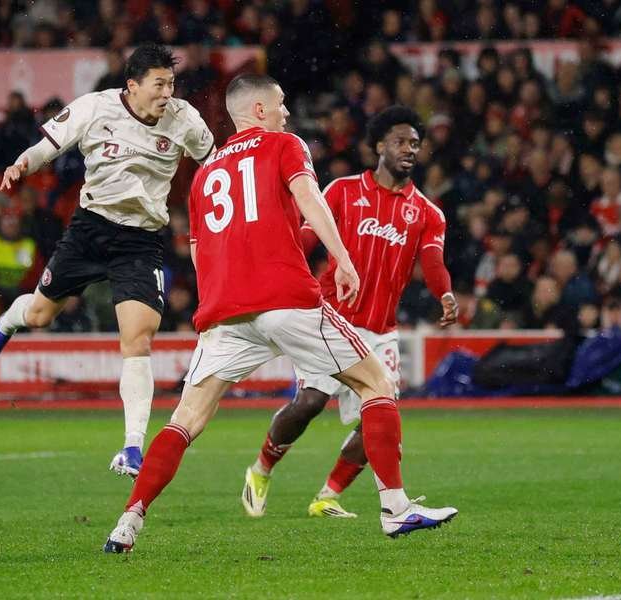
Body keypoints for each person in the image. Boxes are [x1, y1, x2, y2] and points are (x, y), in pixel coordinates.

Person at [103, 74, 457, 553]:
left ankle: (129, 520)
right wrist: (344, 260)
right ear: (261, 111)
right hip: (286, 297)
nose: (288, 112)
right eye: (282, 103)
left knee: (185, 421)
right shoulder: (284, 145)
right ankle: (396, 510)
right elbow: (310, 201)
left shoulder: (205, 174)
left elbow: (196, 250)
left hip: (225, 310)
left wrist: (215, 305)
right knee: (377, 385)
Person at [0, 43, 216, 479]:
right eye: (158, 84)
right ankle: (9, 321)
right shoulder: (96, 107)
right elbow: (49, 146)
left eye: (171, 83)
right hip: (90, 230)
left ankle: (132, 448)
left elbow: (214, 166)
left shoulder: (185, 121)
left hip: (140, 241)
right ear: (133, 86)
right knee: (41, 314)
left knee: (138, 341)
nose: (167, 93)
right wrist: (19, 165)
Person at [240, 105, 458, 520]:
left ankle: (328, 496)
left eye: (415, 144)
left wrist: (444, 294)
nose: (409, 149)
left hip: (380, 330)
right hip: (329, 319)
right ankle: (261, 469)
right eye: (400, 141)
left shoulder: (428, 214)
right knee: (310, 402)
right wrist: (273, 278)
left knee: (381, 415)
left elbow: (433, 262)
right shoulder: (342, 191)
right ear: (378, 146)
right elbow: (305, 239)